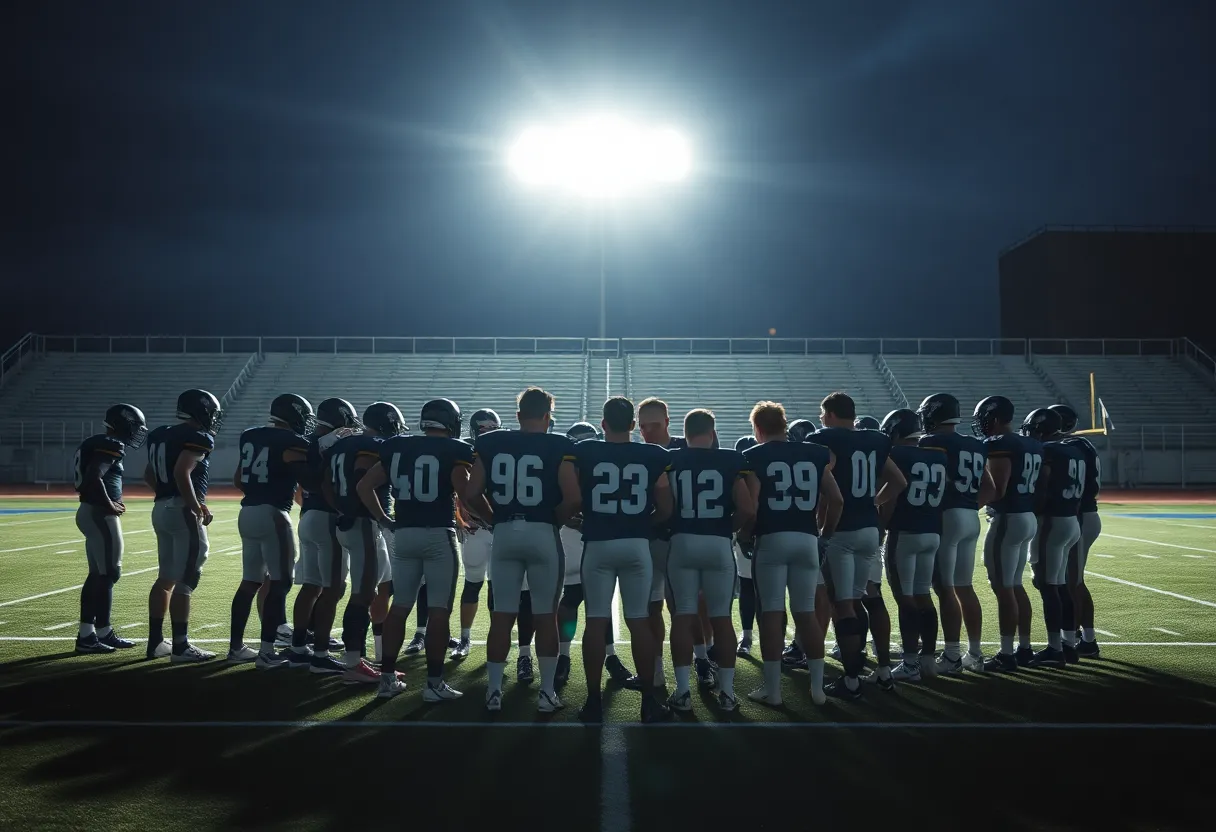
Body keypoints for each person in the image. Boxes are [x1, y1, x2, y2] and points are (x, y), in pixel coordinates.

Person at [464, 387, 579, 713]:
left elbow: (472, 493)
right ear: (548, 415)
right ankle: (545, 694)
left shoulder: (490, 442)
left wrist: (495, 519)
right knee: (545, 615)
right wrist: (550, 520)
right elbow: (572, 498)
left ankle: (494, 692)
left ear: (517, 416)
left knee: (502, 616)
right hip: (542, 533)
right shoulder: (560, 445)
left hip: (506, 533)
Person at [569, 396, 675, 723]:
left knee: (595, 621)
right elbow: (667, 507)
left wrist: (583, 520)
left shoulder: (584, 451)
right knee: (639, 620)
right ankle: (648, 701)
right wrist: (645, 523)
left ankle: (592, 701)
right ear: (633, 425)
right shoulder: (654, 454)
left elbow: (571, 497)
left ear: (602, 425)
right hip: (636, 544)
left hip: (599, 543)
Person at [358, 398, 472, 700]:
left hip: (404, 534)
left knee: (399, 607)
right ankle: (434, 684)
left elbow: (363, 486)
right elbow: (465, 492)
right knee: (439, 611)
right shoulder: (455, 449)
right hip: (438, 534)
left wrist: (384, 518)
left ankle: (386, 680)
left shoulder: (398, 446)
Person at [807, 392, 906, 698]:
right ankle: (882, 670)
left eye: (824, 413)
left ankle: (850, 681)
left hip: (842, 530)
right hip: (868, 528)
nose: (822, 419)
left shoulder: (824, 438)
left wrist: (823, 527)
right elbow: (898, 481)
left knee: (843, 604)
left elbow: (826, 478)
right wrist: (872, 502)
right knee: (863, 598)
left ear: (832, 414)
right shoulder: (875, 440)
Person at [742, 401, 841, 706]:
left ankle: (773, 691)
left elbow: (753, 504)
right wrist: (825, 535)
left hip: (772, 539)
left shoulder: (752, 456)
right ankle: (817, 689)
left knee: (771, 612)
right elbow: (836, 499)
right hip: (806, 539)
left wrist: (745, 535)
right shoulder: (814, 453)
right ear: (784, 425)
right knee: (806, 612)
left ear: (758, 428)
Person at [665, 409, 755, 712]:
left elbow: (664, 504)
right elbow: (747, 508)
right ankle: (727, 694)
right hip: (717, 544)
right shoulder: (730, 459)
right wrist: (726, 529)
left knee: (683, 615)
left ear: (685, 432)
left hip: (682, 541)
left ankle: (683, 692)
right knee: (722, 618)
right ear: (712, 432)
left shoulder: (672, 459)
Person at [228, 394, 314, 668]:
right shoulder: (292, 442)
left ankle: (236, 647)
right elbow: (309, 480)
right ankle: (267, 652)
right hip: (273, 513)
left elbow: (239, 478)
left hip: (247, 511)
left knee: (250, 581)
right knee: (281, 582)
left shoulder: (251, 435)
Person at [323, 401, 405, 685]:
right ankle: (353, 663)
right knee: (363, 594)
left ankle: (361, 658)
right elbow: (361, 480)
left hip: (351, 521)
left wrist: (341, 508)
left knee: (374, 588)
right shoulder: (370, 445)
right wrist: (381, 517)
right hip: (363, 523)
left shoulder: (341, 444)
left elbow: (325, 484)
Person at [637, 397, 714, 689]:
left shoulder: (687, 448)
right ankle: (656, 671)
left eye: (654, 425)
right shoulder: (640, 453)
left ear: (668, 423)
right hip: (651, 540)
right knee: (650, 608)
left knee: (683, 607)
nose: (648, 432)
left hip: (681, 540)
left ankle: (702, 660)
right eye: (643, 427)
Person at [916, 393, 995, 674]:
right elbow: (991, 487)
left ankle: (951, 655)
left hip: (947, 517)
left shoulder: (931, 442)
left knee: (944, 588)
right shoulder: (976, 444)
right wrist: (968, 505)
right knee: (964, 586)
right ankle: (974, 653)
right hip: (970, 517)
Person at [144, 389, 223, 663]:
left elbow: (148, 473)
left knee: (166, 577)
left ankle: (156, 643)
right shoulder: (199, 436)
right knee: (188, 578)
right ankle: (180, 646)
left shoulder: (160, 434)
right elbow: (182, 471)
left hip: (160, 507)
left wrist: (167, 497)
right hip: (181, 510)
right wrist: (194, 504)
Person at [554, 421, 635, 688]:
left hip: (583, 533)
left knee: (579, 598)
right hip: (592, 534)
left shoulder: (566, 463)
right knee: (587, 599)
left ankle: (567, 658)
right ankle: (581, 657)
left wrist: (566, 517)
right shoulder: (600, 461)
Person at [973, 396, 1044, 672]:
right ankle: (1024, 648)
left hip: (1007, 517)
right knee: (1014, 585)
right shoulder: (1032, 444)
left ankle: (1006, 654)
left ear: (993, 417)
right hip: (1026, 515)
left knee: (1003, 587)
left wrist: (971, 505)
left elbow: (998, 488)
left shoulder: (1000, 443)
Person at [291, 397, 361, 674]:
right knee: (334, 588)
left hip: (307, 516)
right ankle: (319, 653)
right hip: (326, 516)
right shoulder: (335, 441)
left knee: (311, 586)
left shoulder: (306, 441)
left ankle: (299, 647)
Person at [73, 403, 148, 654]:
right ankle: (90, 635)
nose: (137, 432)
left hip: (90, 511)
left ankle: (98, 631)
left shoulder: (97, 442)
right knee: (108, 573)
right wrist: (109, 504)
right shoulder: (111, 444)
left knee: (99, 574)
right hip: (99, 513)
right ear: (123, 424)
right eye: (134, 426)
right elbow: (94, 476)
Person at [879, 408, 947, 682]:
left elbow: (893, 496)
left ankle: (909, 663)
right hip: (931, 531)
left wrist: (881, 521)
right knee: (923, 595)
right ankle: (928, 659)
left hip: (905, 532)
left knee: (904, 596)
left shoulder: (897, 455)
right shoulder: (938, 455)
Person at [1023, 408, 1084, 668]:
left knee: (1048, 586)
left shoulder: (1048, 451)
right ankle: (1069, 645)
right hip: (1071, 520)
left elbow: (1043, 484)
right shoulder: (1074, 449)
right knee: (1059, 585)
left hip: (1052, 521)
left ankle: (1054, 649)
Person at [447, 408, 502, 659]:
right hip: (477, 529)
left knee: (495, 587)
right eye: (483, 429)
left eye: (492, 428)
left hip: (498, 527)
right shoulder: (466, 450)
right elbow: (458, 491)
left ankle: (496, 639)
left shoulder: (505, 449)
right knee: (472, 583)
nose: (488, 433)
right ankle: (465, 638)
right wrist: (459, 518)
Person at [1051, 403, 1102, 658]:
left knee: (1072, 582)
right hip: (1083, 514)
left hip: (1081, 515)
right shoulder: (1079, 445)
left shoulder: (1071, 447)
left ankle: (1080, 641)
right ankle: (1084, 638)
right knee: (1073, 580)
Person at [733, 435, 759, 655]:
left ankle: (748, 638)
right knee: (750, 587)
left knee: (750, 588)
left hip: (760, 533)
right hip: (763, 533)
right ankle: (747, 636)